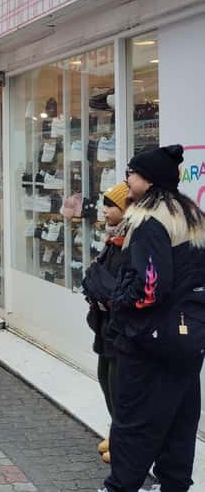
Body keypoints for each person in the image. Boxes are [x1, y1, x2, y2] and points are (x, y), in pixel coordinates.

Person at [100, 145, 205, 492]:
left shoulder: (148, 218)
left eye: (132, 172)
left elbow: (149, 288)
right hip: (188, 340)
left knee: (134, 425)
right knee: (180, 423)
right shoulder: (191, 214)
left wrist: (116, 299)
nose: (127, 178)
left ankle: (119, 488)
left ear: (149, 179)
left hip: (148, 341)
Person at [81, 181, 130, 465]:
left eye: (112, 206)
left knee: (117, 382)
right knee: (104, 375)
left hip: (118, 323)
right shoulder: (113, 239)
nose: (105, 211)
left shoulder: (131, 241)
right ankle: (117, 431)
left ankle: (124, 440)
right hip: (104, 322)